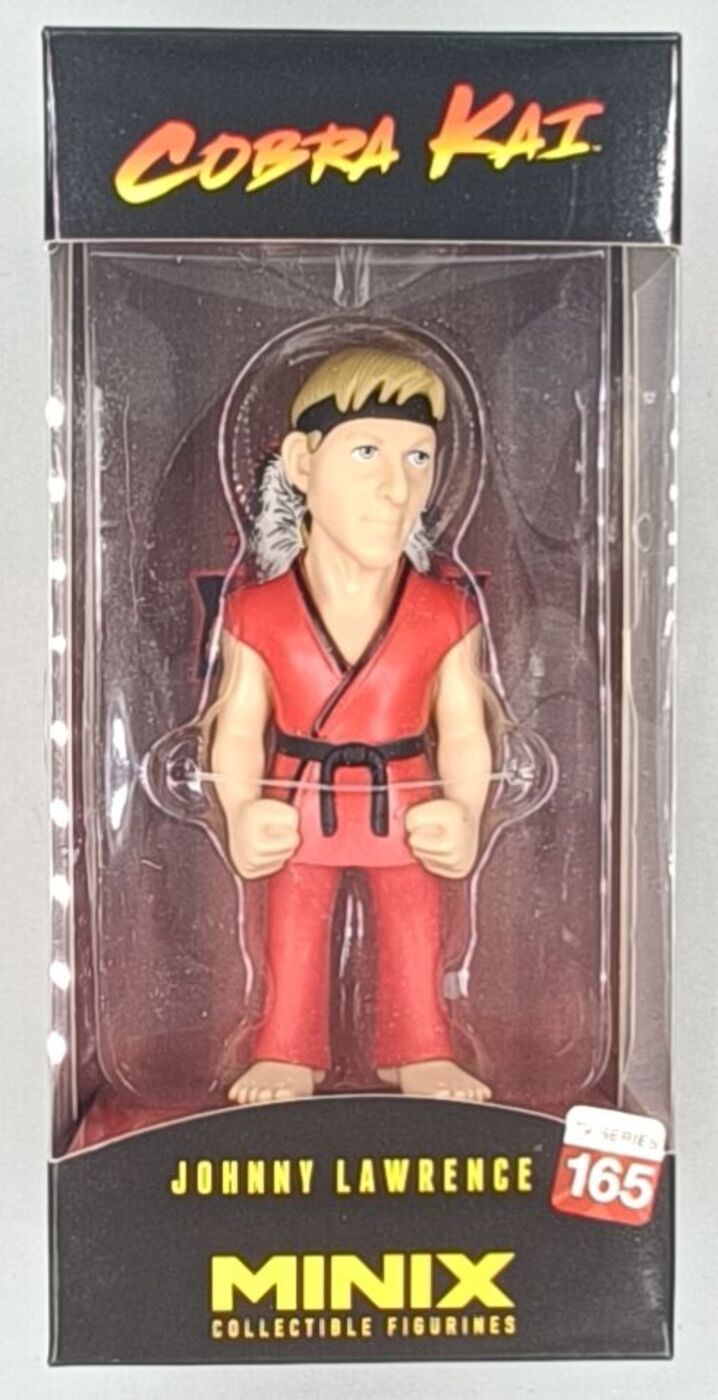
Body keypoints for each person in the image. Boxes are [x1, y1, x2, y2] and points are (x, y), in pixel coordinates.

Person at [208, 346, 493, 1104]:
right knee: (293, 931)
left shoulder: (444, 611)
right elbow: (237, 728)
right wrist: (241, 809)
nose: (397, 488)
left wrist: (466, 809)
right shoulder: (258, 612)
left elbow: (465, 730)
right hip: (300, 802)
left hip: (405, 801)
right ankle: (285, 1048)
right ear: (304, 462)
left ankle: (421, 1046)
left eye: (418, 457)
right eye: (367, 452)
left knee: (415, 929)